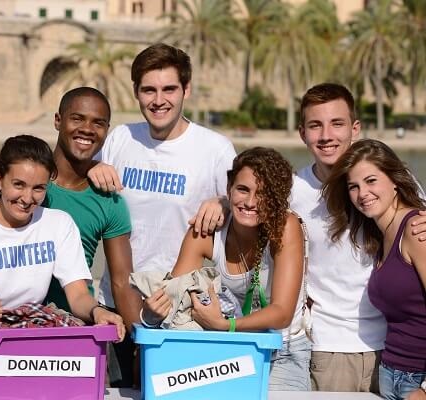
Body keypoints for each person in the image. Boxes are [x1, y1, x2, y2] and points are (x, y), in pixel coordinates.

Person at [87, 43, 237, 387]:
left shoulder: (214, 148)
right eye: (148, 90)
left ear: (186, 89)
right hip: (116, 305)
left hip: (183, 314)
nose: (159, 100)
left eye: (169, 89)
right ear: (136, 93)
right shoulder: (120, 138)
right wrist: (92, 172)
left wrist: (222, 203)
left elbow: (245, 204)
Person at [0, 87, 142, 386]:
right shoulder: (9, 174)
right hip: (4, 328)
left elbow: (121, 282)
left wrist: (141, 343)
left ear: (106, 131)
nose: (87, 129)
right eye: (77, 118)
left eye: (98, 123)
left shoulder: (109, 201)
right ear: (58, 121)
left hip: (70, 326)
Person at [0, 135, 125, 385]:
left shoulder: (59, 224)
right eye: (18, 184)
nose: (27, 198)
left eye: (38, 188)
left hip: (21, 347)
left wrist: (97, 311)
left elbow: (78, 296)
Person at [291, 83, 426, 393]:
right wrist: (219, 204)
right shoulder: (292, 190)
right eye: (315, 125)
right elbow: (247, 212)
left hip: (394, 350)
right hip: (330, 351)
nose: (326, 135)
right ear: (302, 133)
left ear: (355, 128)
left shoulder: (394, 184)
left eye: (337, 123)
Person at [143, 147, 310, 391]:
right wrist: (150, 315)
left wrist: (225, 325)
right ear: (229, 187)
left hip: (282, 351)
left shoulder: (286, 226)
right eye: (243, 189)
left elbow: (281, 313)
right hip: (229, 348)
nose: (251, 202)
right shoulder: (208, 229)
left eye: (263, 194)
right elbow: (174, 296)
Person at [322, 139, 426, 400]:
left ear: (395, 180)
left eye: (371, 181)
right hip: (390, 376)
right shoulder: (381, 235)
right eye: (353, 186)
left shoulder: (416, 230)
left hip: (416, 381)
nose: (362, 193)